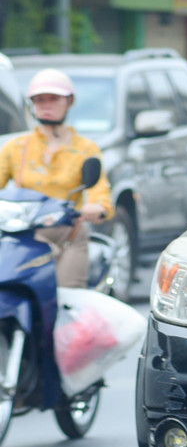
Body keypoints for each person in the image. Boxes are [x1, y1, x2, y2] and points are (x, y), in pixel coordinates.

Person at [0, 69, 113, 287]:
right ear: (31, 105)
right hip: (24, 233)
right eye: (39, 100)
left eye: (53, 99)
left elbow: (99, 191)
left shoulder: (86, 148)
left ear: (69, 101)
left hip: (68, 233)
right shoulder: (16, 147)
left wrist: (98, 207)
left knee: (68, 295)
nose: (46, 105)